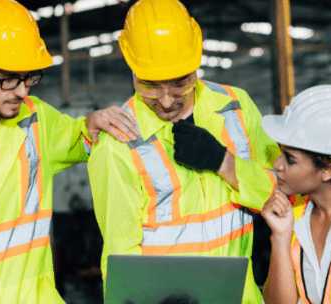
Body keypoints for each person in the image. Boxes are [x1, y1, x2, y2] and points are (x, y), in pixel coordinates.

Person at [0, 0, 140, 303]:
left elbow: (83, 136)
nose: (23, 90)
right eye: (9, 79)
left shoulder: (37, 121)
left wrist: (94, 121)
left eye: (29, 77)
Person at [87, 0, 280, 302]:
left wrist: (225, 164)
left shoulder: (236, 107)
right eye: (149, 85)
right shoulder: (116, 143)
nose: (166, 101)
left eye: (180, 82)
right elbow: (120, 254)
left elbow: (280, 196)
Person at [260, 85, 331, 304]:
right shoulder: (295, 214)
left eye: (290, 159)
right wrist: (280, 238)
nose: (276, 164)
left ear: (327, 170)